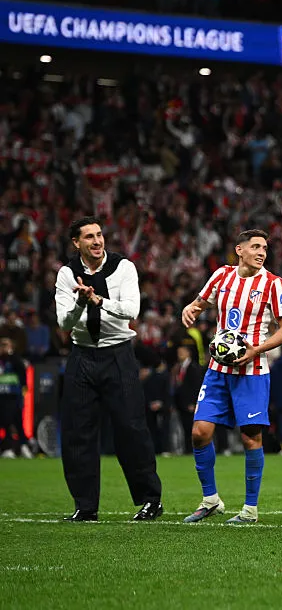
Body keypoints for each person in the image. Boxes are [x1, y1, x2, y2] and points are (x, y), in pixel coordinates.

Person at [179, 229, 282, 524]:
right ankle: (210, 500)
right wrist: (189, 309)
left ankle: (250, 510)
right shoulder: (221, 276)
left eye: (265, 248)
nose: (261, 252)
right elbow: (199, 303)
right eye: (255, 247)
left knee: (250, 438)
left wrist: (258, 349)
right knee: (199, 432)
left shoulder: (273, 283)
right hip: (218, 370)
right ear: (239, 250)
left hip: (253, 372)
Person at [55, 216, 163, 521]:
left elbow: (132, 310)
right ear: (76, 243)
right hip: (82, 355)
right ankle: (85, 506)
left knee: (131, 428)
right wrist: (79, 302)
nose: (97, 241)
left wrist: (98, 300)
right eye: (89, 237)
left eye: (99, 235)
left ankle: (151, 500)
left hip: (118, 355)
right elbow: (64, 322)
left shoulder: (123, 267)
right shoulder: (67, 274)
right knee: (78, 433)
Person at [0, 336, 32, 459]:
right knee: (6, 422)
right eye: (2, 344)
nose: (3, 347)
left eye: (6, 344)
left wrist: (11, 354)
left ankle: (23, 446)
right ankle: (8, 448)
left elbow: (22, 372)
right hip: (2, 396)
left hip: (13, 396)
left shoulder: (15, 360)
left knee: (17, 422)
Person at [171, 344, 204, 455]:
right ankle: (187, 450)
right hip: (181, 404)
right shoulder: (178, 368)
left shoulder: (194, 368)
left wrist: (194, 402)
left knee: (192, 429)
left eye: (182, 352)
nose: (179, 355)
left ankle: (195, 449)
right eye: (178, 353)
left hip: (191, 404)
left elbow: (196, 386)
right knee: (185, 428)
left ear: (188, 353)